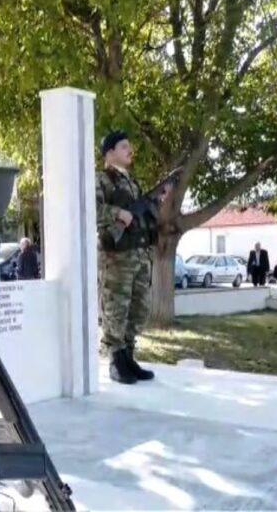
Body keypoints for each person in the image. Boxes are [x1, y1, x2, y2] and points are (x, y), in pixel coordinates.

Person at [96, 130, 171, 384]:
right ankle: (116, 361)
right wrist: (118, 213)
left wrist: (156, 201)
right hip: (117, 257)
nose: (130, 150)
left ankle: (128, 356)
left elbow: (142, 216)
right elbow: (91, 208)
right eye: (124, 146)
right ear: (109, 153)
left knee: (139, 309)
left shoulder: (133, 182)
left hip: (139, 254)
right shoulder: (102, 180)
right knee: (116, 309)